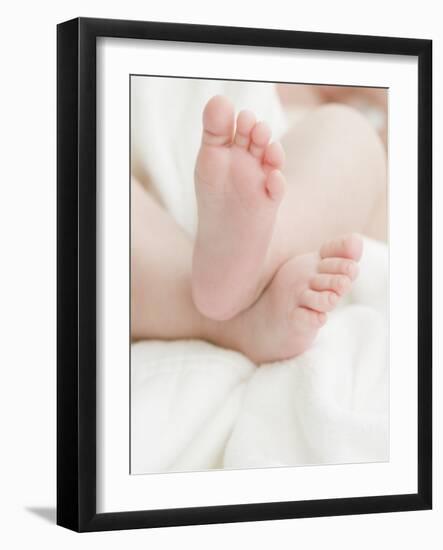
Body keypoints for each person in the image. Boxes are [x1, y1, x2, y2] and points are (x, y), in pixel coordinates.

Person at [131, 90, 386, 364]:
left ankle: (264, 250)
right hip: (230, 158)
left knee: (348, 130)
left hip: (258, 165)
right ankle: (241, 306)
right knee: (350, 132)